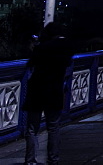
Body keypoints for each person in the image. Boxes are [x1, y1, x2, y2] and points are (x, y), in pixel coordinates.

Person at [24, 23, 74, 165]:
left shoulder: (42, 48)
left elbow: (31, 64)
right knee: (53, 127)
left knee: (32, 128)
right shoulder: (66, 48)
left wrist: (34, 47)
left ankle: (30, 160)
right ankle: (53, 159)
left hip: (37, 90)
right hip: (55, 90)